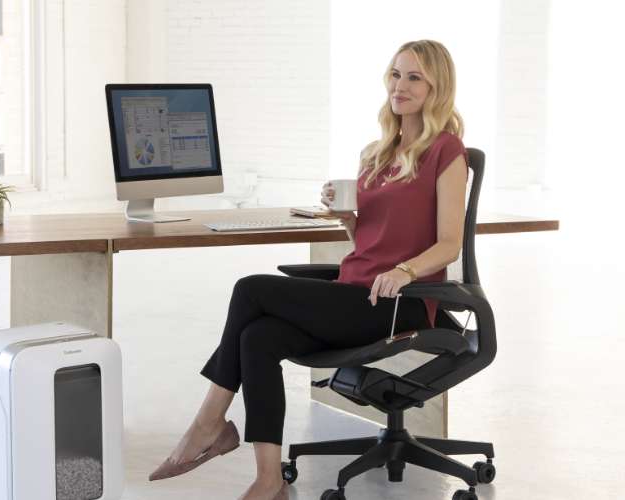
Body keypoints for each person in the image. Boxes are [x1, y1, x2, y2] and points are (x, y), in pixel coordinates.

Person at [148, 39, 471, 500]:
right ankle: (268, 479)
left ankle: (209, 423)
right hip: (357, 292)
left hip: (401, 303)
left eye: (414, 77)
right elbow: (369, 244)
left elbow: (448, 243)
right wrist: (348, 220)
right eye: (396, 74)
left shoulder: (446, 151)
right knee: (256, 338)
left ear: (437, 87)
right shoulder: (376, 153)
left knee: (249, 289)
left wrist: (405, 270)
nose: (400, 86)